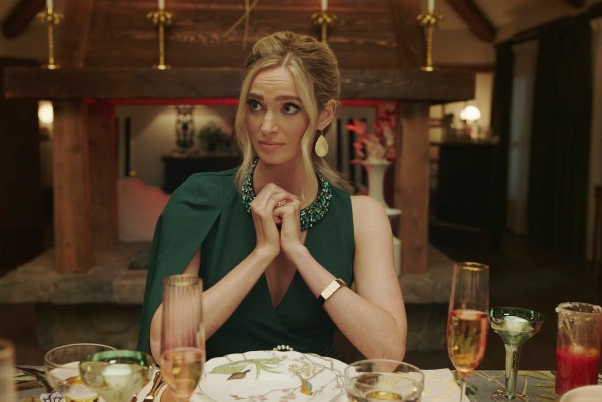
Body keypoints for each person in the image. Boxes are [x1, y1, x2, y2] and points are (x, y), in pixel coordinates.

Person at [137, 31, 406, 363]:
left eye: (289, 107)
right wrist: (261, 254)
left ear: (324, 114)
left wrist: (300, 255)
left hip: (317, 389)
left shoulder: (361, 216)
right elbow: (165, 344)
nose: (266, 126)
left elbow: (389, 352)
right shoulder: (200, 199)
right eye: (255, 105)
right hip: (218, 389)